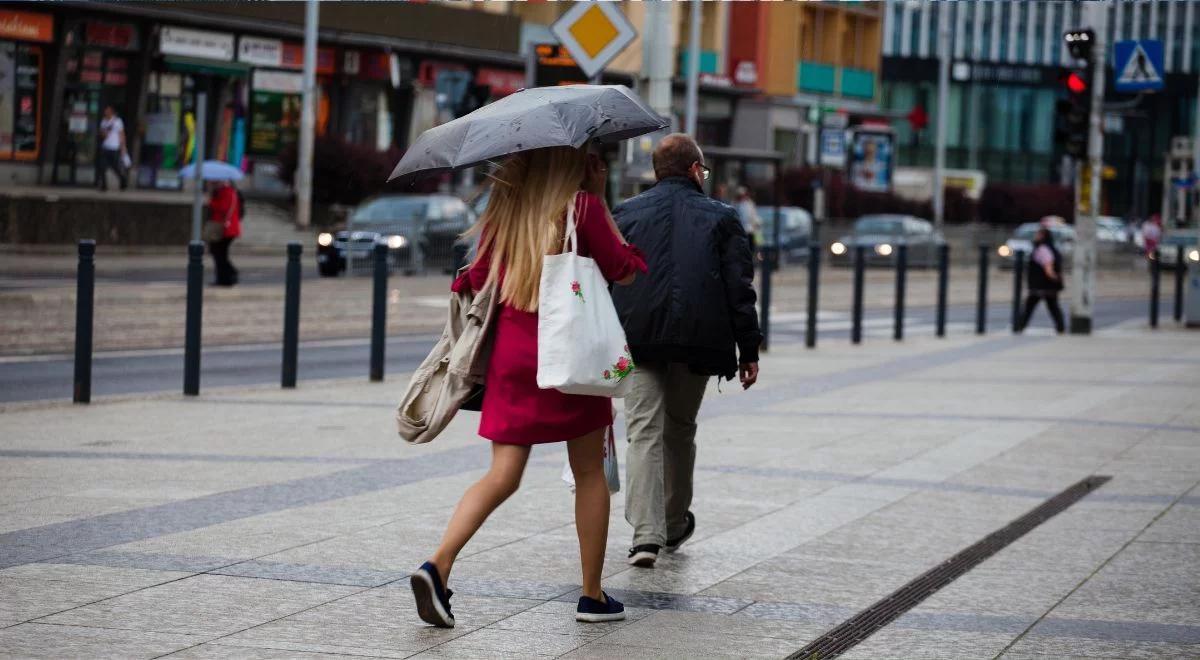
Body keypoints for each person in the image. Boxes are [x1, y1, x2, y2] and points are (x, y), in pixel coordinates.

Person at [411, 145, 646, 628]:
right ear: (571, 161)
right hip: (570, 358)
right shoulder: (579, 207)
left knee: (503, 473)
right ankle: (592, 596)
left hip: (513, 358)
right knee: (589, 474)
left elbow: (474, 279)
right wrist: (599, 199)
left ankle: (438, 564)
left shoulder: (506, 209)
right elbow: (623, 268)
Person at [611, 134, 761, 568]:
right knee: (680, 429)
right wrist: (748, 349)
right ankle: (674, 522)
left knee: (643, 432)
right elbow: (740, 289)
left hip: (638, 338)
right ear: (696, 170)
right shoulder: (722, 217)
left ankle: (645, 537)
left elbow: (610, 277)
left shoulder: (627, 213)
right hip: (699, 340)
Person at [1018, 225, 1065, 334]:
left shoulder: (1042, 249)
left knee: (1030, 306)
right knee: (1052, 306)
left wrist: (1054, 277)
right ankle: (1060, 327)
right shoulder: (1049, 248)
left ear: (1043, 236)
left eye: (1038, 234)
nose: (1035, 236)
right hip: (1046, 286)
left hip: (1041, 285)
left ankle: (1020, 325)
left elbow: (1048, 266)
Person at [207, 180, 241, 286]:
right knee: (219, 253)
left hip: (226, 229)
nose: (214, 184)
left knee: (219, 253)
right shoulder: (225, 192)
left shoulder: (227, 192)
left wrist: (211, 201)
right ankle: (225, 276)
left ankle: (227, 276)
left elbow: (222, 208)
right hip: (226, 228)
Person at [97, 105, 128, 191]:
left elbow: (122, 134)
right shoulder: (104, 121)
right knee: (102, 166)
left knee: (115, 167)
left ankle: (123, 180)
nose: (106, 112)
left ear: (111, 112)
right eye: (105, 111)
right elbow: (102, 135)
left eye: (107, 111)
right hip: (105, 147)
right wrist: (106, 130)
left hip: (114, 147)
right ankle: (104, 186)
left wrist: (123, 147)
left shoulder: (118, 121)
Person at [734, 185, 762, 252]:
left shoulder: (749, 204)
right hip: (741, 232)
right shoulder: (736, 205)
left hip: (748, 231)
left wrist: (757, 224)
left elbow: (754, 216)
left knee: (748, 250)